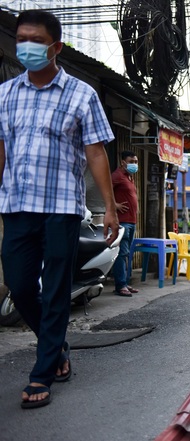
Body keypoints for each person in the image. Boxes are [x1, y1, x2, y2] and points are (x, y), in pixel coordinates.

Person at [0, 10, 119, 408]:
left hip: (61, 208)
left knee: (54, 292)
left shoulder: (81, 94)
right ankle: (58, 349)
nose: (26, 47)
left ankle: (42, 372)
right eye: (21, 39)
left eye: (34, 40)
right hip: (16, 205)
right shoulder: (5, 93)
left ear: (56, 46)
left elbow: (96, 153)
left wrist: (109, 210)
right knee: (19, 286)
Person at [112, 151, 139, 297]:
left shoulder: (129, 177)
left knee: (126, 254)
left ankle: (124, 283)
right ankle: (120, 285)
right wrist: (114, 204)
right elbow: (103, 188)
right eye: (131, 161)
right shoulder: (117, 176)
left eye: (136, 161)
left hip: (131, 221)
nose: (135, 164)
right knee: (121, 254)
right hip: (122, 221)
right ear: (123, 162)